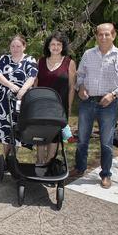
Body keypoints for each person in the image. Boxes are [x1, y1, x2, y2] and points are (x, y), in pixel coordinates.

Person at [71, 23, 118, 189]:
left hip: (109, 103)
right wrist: (81, 87)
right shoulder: (88, 54)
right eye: (100, 34)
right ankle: (79, 168)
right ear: (96, 36)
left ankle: (106, 174)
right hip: (87, 102)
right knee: (82, 139)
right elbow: (80, 76)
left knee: (106, 142)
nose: (103, 37)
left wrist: (113, 94)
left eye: (107, 34)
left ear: (113, 35)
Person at [0, 35, 38, 156]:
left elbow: (32, 76)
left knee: (18, 127)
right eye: (13, 46)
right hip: (4, 99)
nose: (15, 48)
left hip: (21, 99)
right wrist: (11, 85)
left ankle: (13, 157)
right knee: (5, 128)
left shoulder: (30, 60)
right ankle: (5, 158)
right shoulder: (4, 58)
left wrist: (23, 90)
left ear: (24, 47)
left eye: (18, 46)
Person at [34, 32, 77, 166]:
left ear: (63, 46)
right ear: (48, 46)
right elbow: (35, 85)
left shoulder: (69, 63)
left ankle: (49, 163)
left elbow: (71, 88)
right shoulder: (39, 62)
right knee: (40, 136)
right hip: (41, 107)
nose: (55, 47)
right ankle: (39, 162)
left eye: (59, 44)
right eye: (52, 44)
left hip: (59, 108)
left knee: (54, 137)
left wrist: (69, 108)